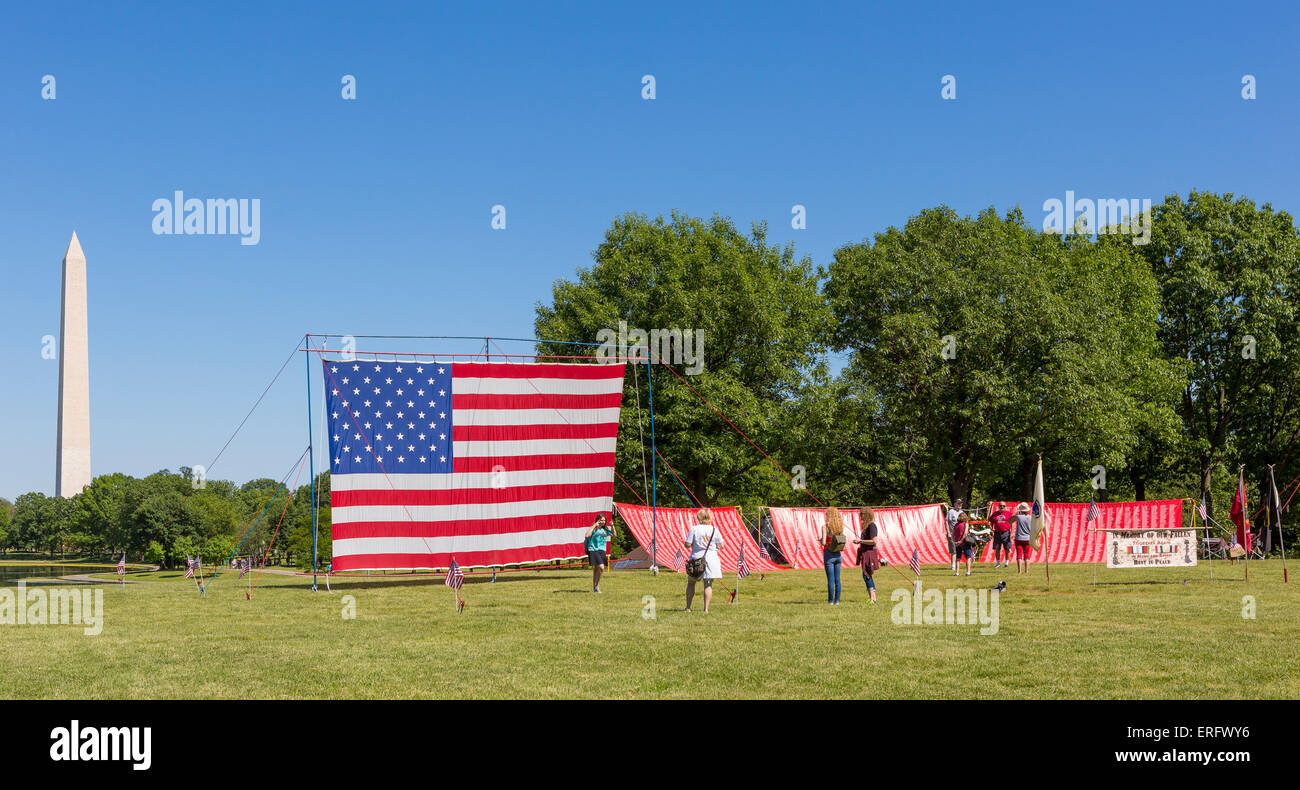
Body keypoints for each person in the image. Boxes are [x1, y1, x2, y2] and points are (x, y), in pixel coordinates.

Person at [684, 508, 725, 612]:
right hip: (711, 560)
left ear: (699, 517)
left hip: (696, 559)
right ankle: (706, 609)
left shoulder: (694, 529)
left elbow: (687, 545)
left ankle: (688, 607)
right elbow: (721, 546)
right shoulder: (715, 530)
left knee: (691, 583)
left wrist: (692, 544)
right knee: (708, 584)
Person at [854, 507, 880, 604]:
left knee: (867, 574)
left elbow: (874, 541)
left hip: (869, 553)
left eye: (862, 514)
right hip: (865, 552)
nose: (860, 516)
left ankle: (873, 599)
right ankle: (872, 598)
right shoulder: (867, 526)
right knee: (866, 575)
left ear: (866, 514)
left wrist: (861, 541)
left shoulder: (872, 526)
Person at [584, 514, 614, 593]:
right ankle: (597, 586)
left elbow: (614, 534)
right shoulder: (594, 529)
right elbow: (587, 536)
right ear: (597, 520)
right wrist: (594, 526)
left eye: (604, 520)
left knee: (596, 569)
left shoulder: (605, 530)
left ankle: (595, 587)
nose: (603, 522)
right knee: (601, 567)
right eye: (601, 520)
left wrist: (612, 526)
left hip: (602, 550)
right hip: (593, 549)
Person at [823, 507, 847, 604]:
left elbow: (824, 542)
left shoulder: (825, 527)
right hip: (838, 555)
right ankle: (837, 601)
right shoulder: (840, 527)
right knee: (838, 579)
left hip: (828, 554)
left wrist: (821, 540)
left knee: (830, 580)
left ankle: (830, 601)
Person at [989, 503, 1013, 568]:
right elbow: (991, 522)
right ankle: (998, 563)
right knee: (997, 549)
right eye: (1000, 506)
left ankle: (1006, 563)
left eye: (1003, 506)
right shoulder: (994, 514)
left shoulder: (1009, 514)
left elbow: (1012, 523)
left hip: (1006, 533)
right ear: (998, 506)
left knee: (1007, 549)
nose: (1002, 507)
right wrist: (991, 530)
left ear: (1005, 506)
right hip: (997, 533)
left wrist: (1012, 532)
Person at [945, 499, 964, 571]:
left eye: (961, 504)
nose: (960, 505)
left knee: (961, 549)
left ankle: (958, 564)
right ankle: (953, 565)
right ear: (955, 504)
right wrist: (948, 533)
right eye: (958, 503)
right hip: (952, 534)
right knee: (953, 550)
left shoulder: (962, 512)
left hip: (960, 534)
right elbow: (946, 522)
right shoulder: (951, 512)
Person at [1013, 503, 1033, 574]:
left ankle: (1019, 571)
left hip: (1018, 538)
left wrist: (1016, 513)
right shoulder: (1030, 517)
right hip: (1028, 538)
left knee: (1019, 555)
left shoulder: (1018, 517)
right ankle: (1026, 571)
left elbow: (1010, 521)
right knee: (1027, 555)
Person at [953, 511, 973, 576]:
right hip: (965, 543)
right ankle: (968, 572)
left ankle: (957, 573)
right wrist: (961, 541)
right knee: (968, 557)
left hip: (957, 543)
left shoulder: (956, 525)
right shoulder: (966, 524)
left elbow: (953, 534)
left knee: (958, 558)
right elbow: (965, 534)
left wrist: (955, 542)